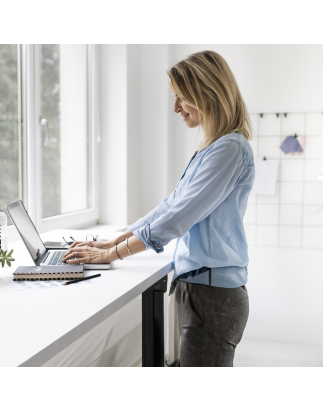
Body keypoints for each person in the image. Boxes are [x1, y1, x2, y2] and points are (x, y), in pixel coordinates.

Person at [63, 50, 255, 367]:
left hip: (213, 294)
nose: (176, 108)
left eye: (182, 98)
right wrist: (112, 241)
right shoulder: (211, 148)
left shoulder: (230, 148)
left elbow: (177, 219)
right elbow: (169, 207)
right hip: (200, 288)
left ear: (206, 93)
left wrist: (112, 255)